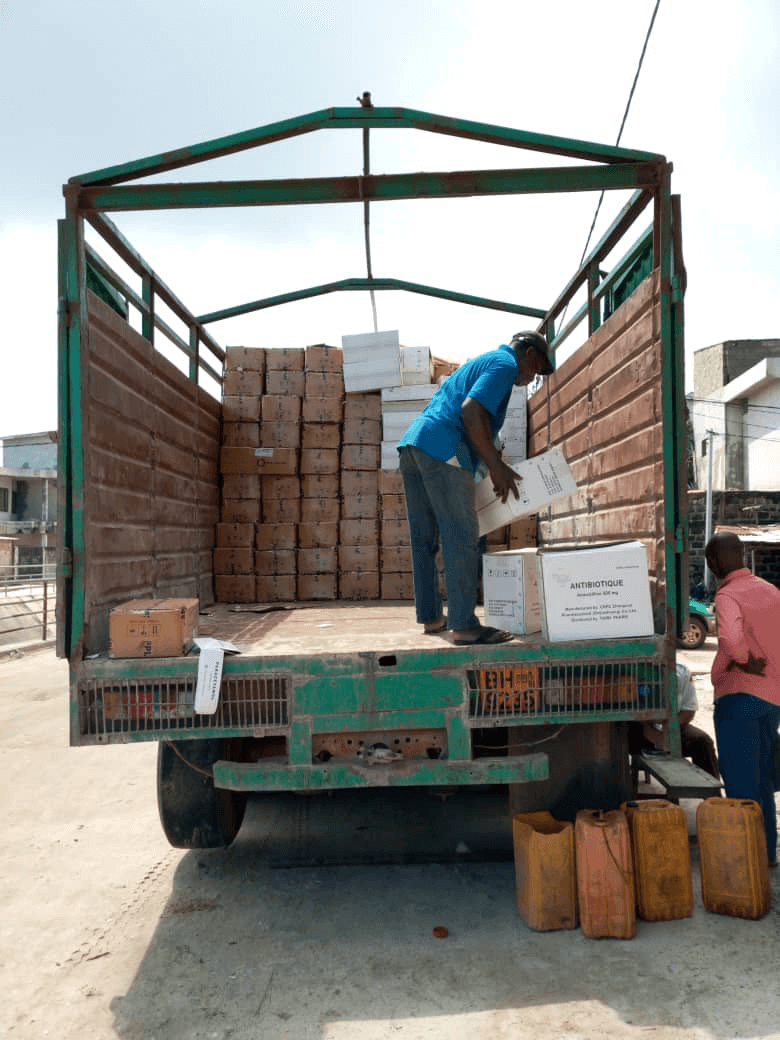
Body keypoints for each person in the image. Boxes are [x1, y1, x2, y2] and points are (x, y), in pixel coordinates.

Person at [398, 330, 554, 646]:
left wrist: (493, 461)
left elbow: (474, 416)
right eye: (536, 369)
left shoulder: (486, 361)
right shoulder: (505, 365)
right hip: (443, 446)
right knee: (462, 535)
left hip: (414, 445)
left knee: (424, 537)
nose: (531, 378)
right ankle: (465, 626)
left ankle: (432, 617)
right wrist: (496, 469)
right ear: (530, 353)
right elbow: (471, 411)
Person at [704, 531, 780, 867]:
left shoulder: (728, 595)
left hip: (739, 697)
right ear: (744, 554)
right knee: (762, 779)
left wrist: (745, 659)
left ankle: (747, 861)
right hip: (772, 700)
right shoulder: (771, 591)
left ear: (714, 562)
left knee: (741, 782)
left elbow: (731, 641)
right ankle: (767, 853)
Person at [629, 661, 720, 779]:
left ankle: (713, 794)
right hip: (638, 726)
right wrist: (649, 729)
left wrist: (668, 729)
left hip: (672, 725)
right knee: (618, 737)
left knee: (702, 741)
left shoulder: (681, 671)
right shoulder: (631, 669)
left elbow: (688, 711)